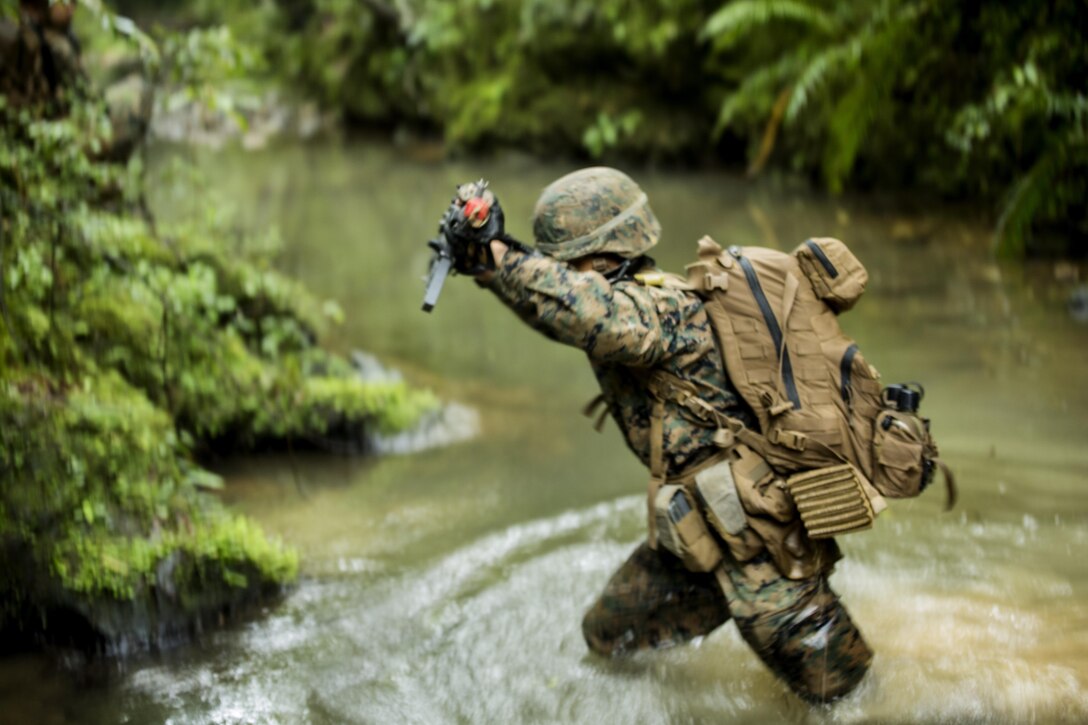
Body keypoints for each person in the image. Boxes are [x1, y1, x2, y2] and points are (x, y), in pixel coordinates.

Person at [473, 167, 872, 703]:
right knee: (611, 637)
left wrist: (503, 259)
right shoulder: (613, 300)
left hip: (761, 545)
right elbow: (559, 306)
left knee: (844, 697)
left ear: (602, 256)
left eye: (566, 262)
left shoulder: (660, 308)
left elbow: (585, 313)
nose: (558, 273)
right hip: (694, 528)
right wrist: (491, 262)